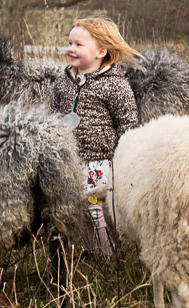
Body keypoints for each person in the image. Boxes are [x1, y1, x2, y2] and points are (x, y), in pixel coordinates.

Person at [50, 16, 141, 257]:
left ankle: (109, 257)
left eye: (79, 45)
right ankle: (92, 252)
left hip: (101, 161)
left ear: (101, 50)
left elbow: (127, 123)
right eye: (70, 43)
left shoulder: (115, 85)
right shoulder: (63, 81)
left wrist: (125, 160)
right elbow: (54, 115)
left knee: (95, 208)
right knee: (78, 209)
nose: (71, 49)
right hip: (72, 159)